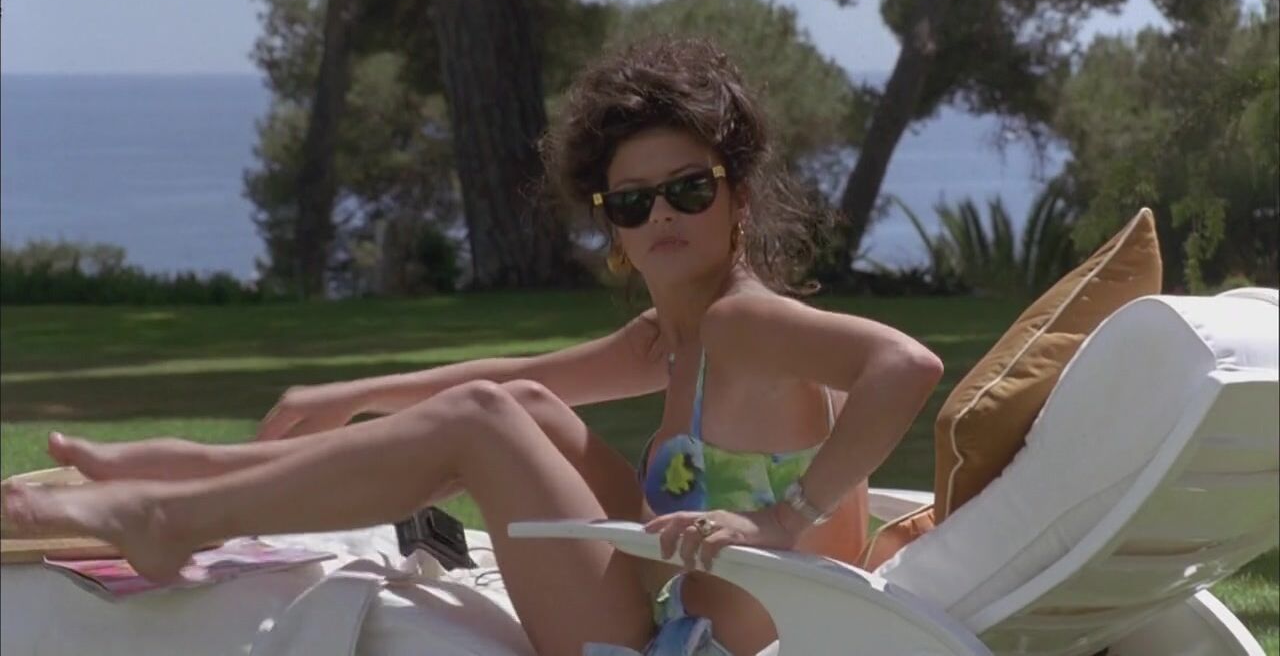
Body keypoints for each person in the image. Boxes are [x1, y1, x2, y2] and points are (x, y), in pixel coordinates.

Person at [1, 36, 943, 656]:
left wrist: (784, 516)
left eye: (688, 189)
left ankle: (173, 517)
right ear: (611, 223)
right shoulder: (675, 333)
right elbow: (519, 378)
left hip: (690, 648)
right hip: (676, 608)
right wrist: (355, 395)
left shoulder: (744, 322)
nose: (662, 214)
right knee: (519, 408)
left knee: (489, 423)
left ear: (737, 194)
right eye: (632, 201)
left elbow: (904, 366)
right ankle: (192, 474)